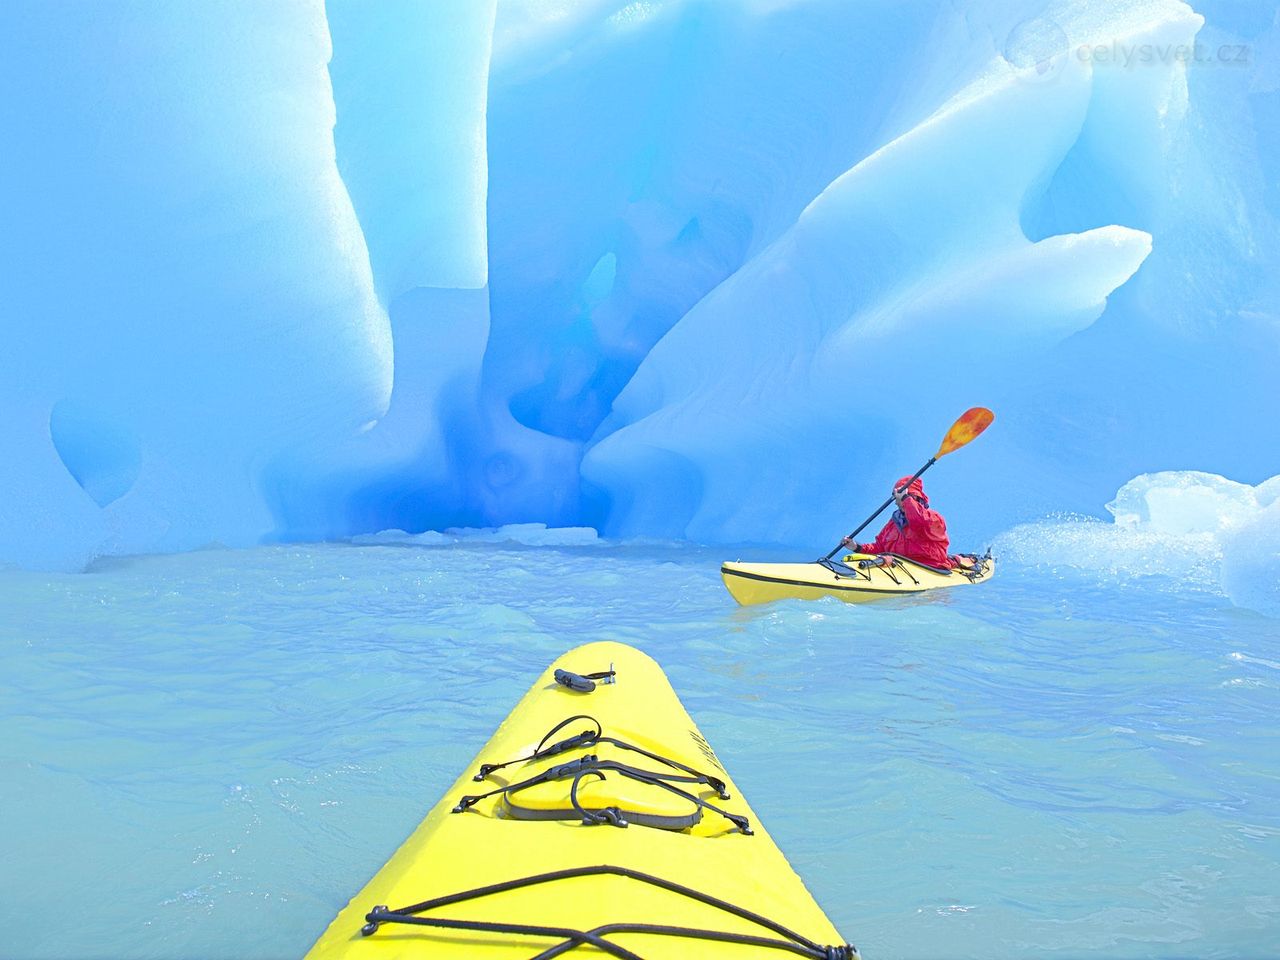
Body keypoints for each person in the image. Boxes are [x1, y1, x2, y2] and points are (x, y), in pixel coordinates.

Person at [842, 476, 953, 569]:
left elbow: (918, 522)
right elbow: (880, 548)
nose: (896, 501)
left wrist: (905, 498)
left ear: (915, 497)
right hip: (902, 570)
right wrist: (856, 547)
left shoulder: (934, 518)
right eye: (896, 497)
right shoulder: (894, 523)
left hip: (930, 569)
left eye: (899, 496)